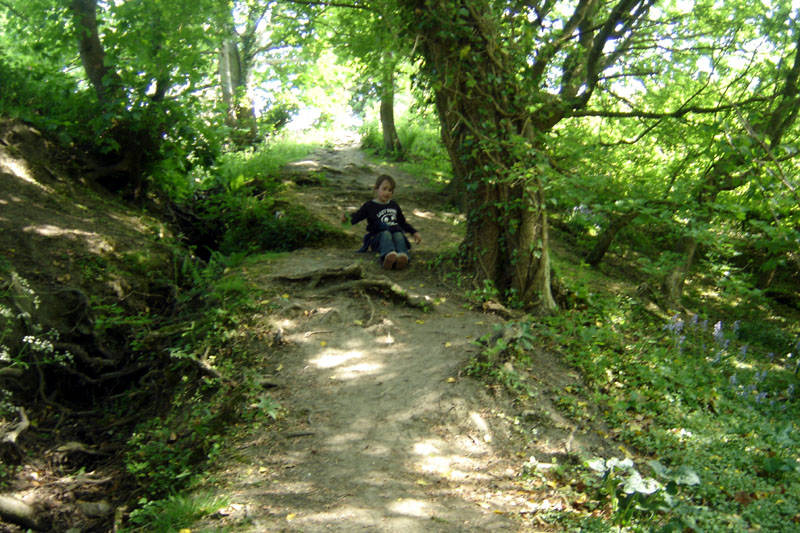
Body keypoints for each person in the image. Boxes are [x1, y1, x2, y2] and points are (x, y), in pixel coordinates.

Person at [342, 174, 422, 270]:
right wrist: (347, 219)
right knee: (386, 234)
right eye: (384, 189)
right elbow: (357, 217)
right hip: (378, 239)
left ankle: (402, 257)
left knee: (399, 234)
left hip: (394, 238)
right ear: (376, 189)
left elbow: (402, 223)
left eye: (390, 190)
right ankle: (387, 256)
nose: (387, 192)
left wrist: (414, 232)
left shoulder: (394, 205)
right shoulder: (369, 206)